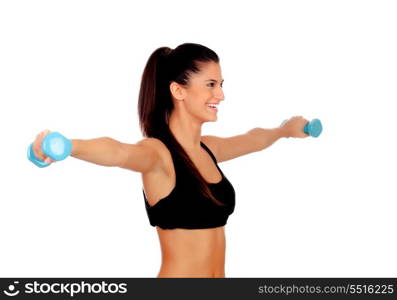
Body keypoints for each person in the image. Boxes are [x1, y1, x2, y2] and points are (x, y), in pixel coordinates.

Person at [32, 43, 309, 278]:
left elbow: (253, 139)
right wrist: (68, 146)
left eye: (221, 85)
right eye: (211, 85)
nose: (221, 95)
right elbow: (118, 152)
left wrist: (285, 130)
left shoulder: (208, 149)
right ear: (178, 91)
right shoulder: (158, 153)